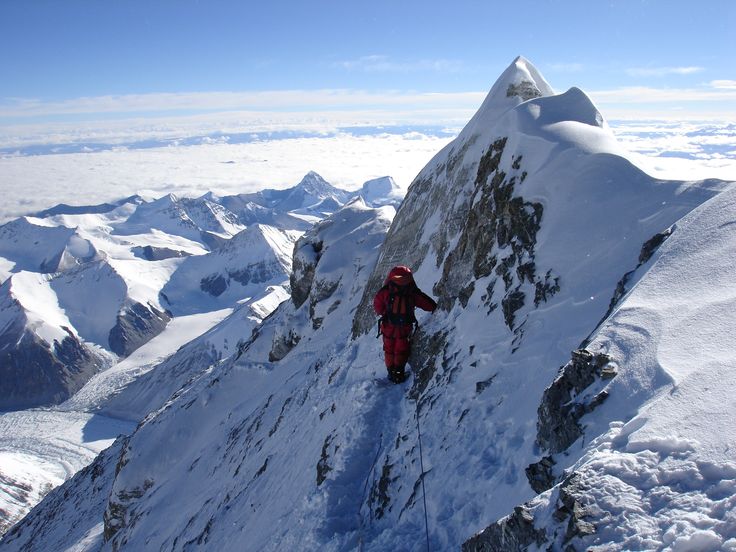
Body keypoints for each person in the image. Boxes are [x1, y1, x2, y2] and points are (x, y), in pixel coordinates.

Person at [373, 265, 437, 383]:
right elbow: (426, 303)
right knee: (400, 349)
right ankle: (399, 373)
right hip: (404, 327)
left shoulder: (387, 290)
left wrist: (385, 313)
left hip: (388, 326)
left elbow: (377, 305)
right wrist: (435, 307)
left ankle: (391, 373)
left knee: (389, 349)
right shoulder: (411, 291)